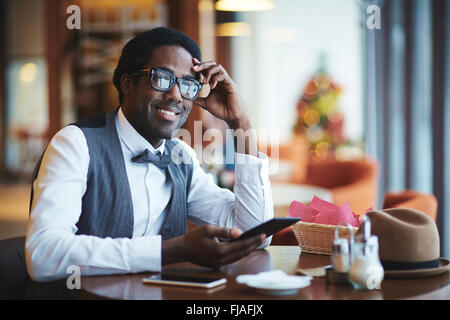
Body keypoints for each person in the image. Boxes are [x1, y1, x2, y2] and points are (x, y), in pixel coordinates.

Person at [25, 27, 273, 282]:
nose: (176, 95)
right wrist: (171, 250)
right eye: (162, 78)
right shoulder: (75, 144)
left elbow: (253, 232)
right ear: (127, 83)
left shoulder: (181, 157)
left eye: (188, 84)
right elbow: (44, 254)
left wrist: (240, 121)